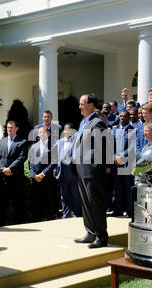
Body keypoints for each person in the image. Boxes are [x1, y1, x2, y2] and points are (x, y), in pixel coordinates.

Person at [73, 94, 109, 248]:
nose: (80, 106)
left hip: (92, 170)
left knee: (96, 204)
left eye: (82, 104)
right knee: (86, 204)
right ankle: (90, 232)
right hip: (81, 168)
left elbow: (105, 147)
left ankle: (101, 236)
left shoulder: (97, 123)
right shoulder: (84, 122)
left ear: (92, 105)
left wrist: (97, 166)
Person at [0, 120, 28, 225]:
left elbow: (22, 157)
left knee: (17, 200)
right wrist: (2, 168)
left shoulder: (22, 141)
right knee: (3, 200)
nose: (9, 129)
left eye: (11, 127)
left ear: (16, 128)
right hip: (3, 176)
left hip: (16, 176)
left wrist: (10, 169)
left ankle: (19, 220)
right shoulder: (1, 142)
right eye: (8, 127)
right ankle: (2, 220)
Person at [29, 126, 59, 221]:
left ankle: (50, 218)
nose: (41, 134)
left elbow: (54, 162)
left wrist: (43, 174)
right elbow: (30, 162)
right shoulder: (34, 146)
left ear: (48, 134)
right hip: (36, 178)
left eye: (44, 132)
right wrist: (33, 174)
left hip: (47, 178)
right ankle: (37, 219)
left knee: (49, 200)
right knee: (37, 201)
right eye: (40, 133)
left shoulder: (53, 146)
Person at [54, 123, 82, 219]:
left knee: (75, 195)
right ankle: (66, 215)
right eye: (65, 130)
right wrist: (55, 169)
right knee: (64, 196)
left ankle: (76, 214)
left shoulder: (77, 142)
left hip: (73, 173)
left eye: (69, 130)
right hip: (62, 173)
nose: (67, 132)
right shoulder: (59, 142)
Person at [111, 111, 135, 217]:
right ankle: (118, 209)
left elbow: (132, 146)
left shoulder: (133, 130)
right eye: (120, 116)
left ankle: (129, 210)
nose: (122, 118)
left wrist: (122, 156)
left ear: (128, 117)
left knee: (127, 188)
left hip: (127, 163)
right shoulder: (114, 130)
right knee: (117, 187)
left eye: (124, 116)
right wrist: (114, 157)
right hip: (116, 163)